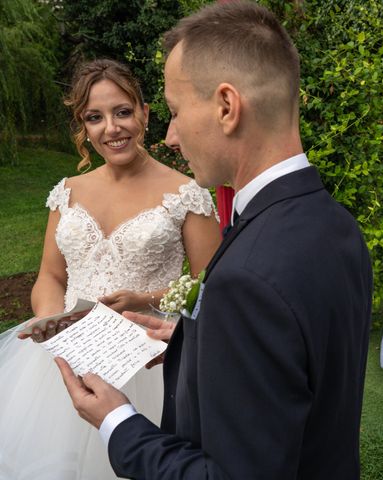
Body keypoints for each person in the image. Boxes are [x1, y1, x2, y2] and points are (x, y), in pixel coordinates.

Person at [57, 2, 373, 479]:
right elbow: (297, 364)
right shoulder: (334, 223)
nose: (171, 135)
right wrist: (191, 340)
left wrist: (117, 421)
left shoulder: (248, 278)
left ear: (227, 107)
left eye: (177, 111)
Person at [0, 59, 221, 479]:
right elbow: (51, 276)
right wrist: (51, 322)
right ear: (83, 126)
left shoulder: (186, 193)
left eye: (122, 112)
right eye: (94, 118)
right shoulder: (68, 191)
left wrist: (147, 299)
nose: (111, 128)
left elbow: (212, 284)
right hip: (69, 356)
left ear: (144, 113)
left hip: (148, 359)